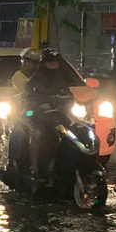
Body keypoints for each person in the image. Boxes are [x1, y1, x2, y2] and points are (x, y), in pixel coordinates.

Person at [18, 47, 79, 179]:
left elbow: (69, 95)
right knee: (37, 134)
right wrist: (41, 105)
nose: (53, 65)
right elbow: (30, 98)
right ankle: (34, 167)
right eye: (50, 62)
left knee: (75, 134)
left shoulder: (61, 80)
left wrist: (69, 103)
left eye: (55, 62)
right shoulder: (34, 81)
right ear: (43, 63)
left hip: (59, 116)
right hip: (39, 116)